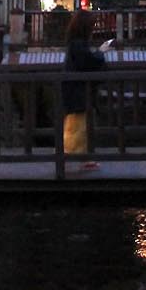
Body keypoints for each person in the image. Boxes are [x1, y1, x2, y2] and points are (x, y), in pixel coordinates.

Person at [61, 10, 107, 171]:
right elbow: (89, 62)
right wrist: (101, 52)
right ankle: (68, 155)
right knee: (77, 126)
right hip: (77, 91)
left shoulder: (75, 43)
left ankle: (81, 157)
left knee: (80, 125)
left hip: (75, 89)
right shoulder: (79, 44)